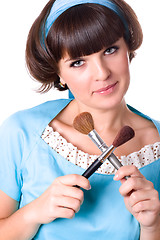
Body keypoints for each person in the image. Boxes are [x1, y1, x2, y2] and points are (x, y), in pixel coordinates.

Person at [0, 0, 160, 239]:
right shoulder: (22, 132)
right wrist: (34, 212)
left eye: (110, 50)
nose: (102, 73)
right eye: (77, 62)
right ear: (58, 73)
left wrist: (153, 227)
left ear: (129, 48)